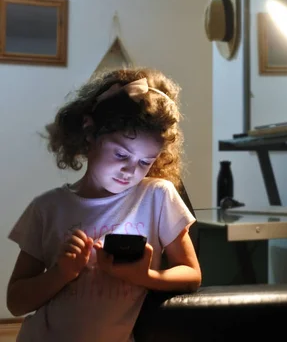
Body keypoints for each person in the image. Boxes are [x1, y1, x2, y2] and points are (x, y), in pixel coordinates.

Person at [6, 68, 202, 342]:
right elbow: (16, 303)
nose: (130, 170)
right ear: (89, 132)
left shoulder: (158, 196)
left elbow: (191, 274)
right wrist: (62, 273)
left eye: (145, 162)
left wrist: (144, 275)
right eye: (121, 153)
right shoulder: (47, 209)